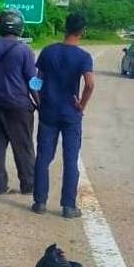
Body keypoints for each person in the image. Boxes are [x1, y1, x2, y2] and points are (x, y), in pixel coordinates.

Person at [31, 13, 94, 218]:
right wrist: (82, 105)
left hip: (49, 110)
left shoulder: (48, 51)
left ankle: (39, 201)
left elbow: (36, 80)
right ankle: (68, 206)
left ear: (65, 28)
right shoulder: (83, 57)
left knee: (43, 157)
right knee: (70, 159)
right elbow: (90, 84)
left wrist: (39, 99)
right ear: (82, 31)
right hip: (70, 113)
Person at [0, 9, 37, 195]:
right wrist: (40, 102)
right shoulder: (25, 50)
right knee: (23, 147)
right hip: (18, 106)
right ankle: (28, 184)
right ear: (20, 27)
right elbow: (32, 80)